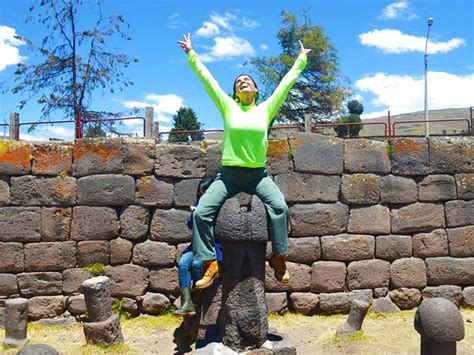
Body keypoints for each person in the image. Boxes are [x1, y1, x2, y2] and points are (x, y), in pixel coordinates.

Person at [177, 33, 310, 290]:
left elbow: (285, 84)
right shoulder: (228, 106)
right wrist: (192, 54)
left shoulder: (266, 108)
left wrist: (301, 60)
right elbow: (209, 82)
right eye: (239, 81)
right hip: (228, 175)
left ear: (256, 90)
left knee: (280, 207)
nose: (243, 82)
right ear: (236, 92)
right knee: (202, 214)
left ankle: (279, 258)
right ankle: (210, 263)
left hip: (258, 175)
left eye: (247, 80)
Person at [173, 176, 223, 317]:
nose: (203, 196)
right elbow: (189, 225)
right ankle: (187, 303)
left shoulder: (219, 206)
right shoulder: (199, 202)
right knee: (183, 263)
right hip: (196, 245)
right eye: (201, 193)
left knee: (196, 264)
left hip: (212, 246)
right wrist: (195, 214)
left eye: (205, 193)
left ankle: (197, 299)